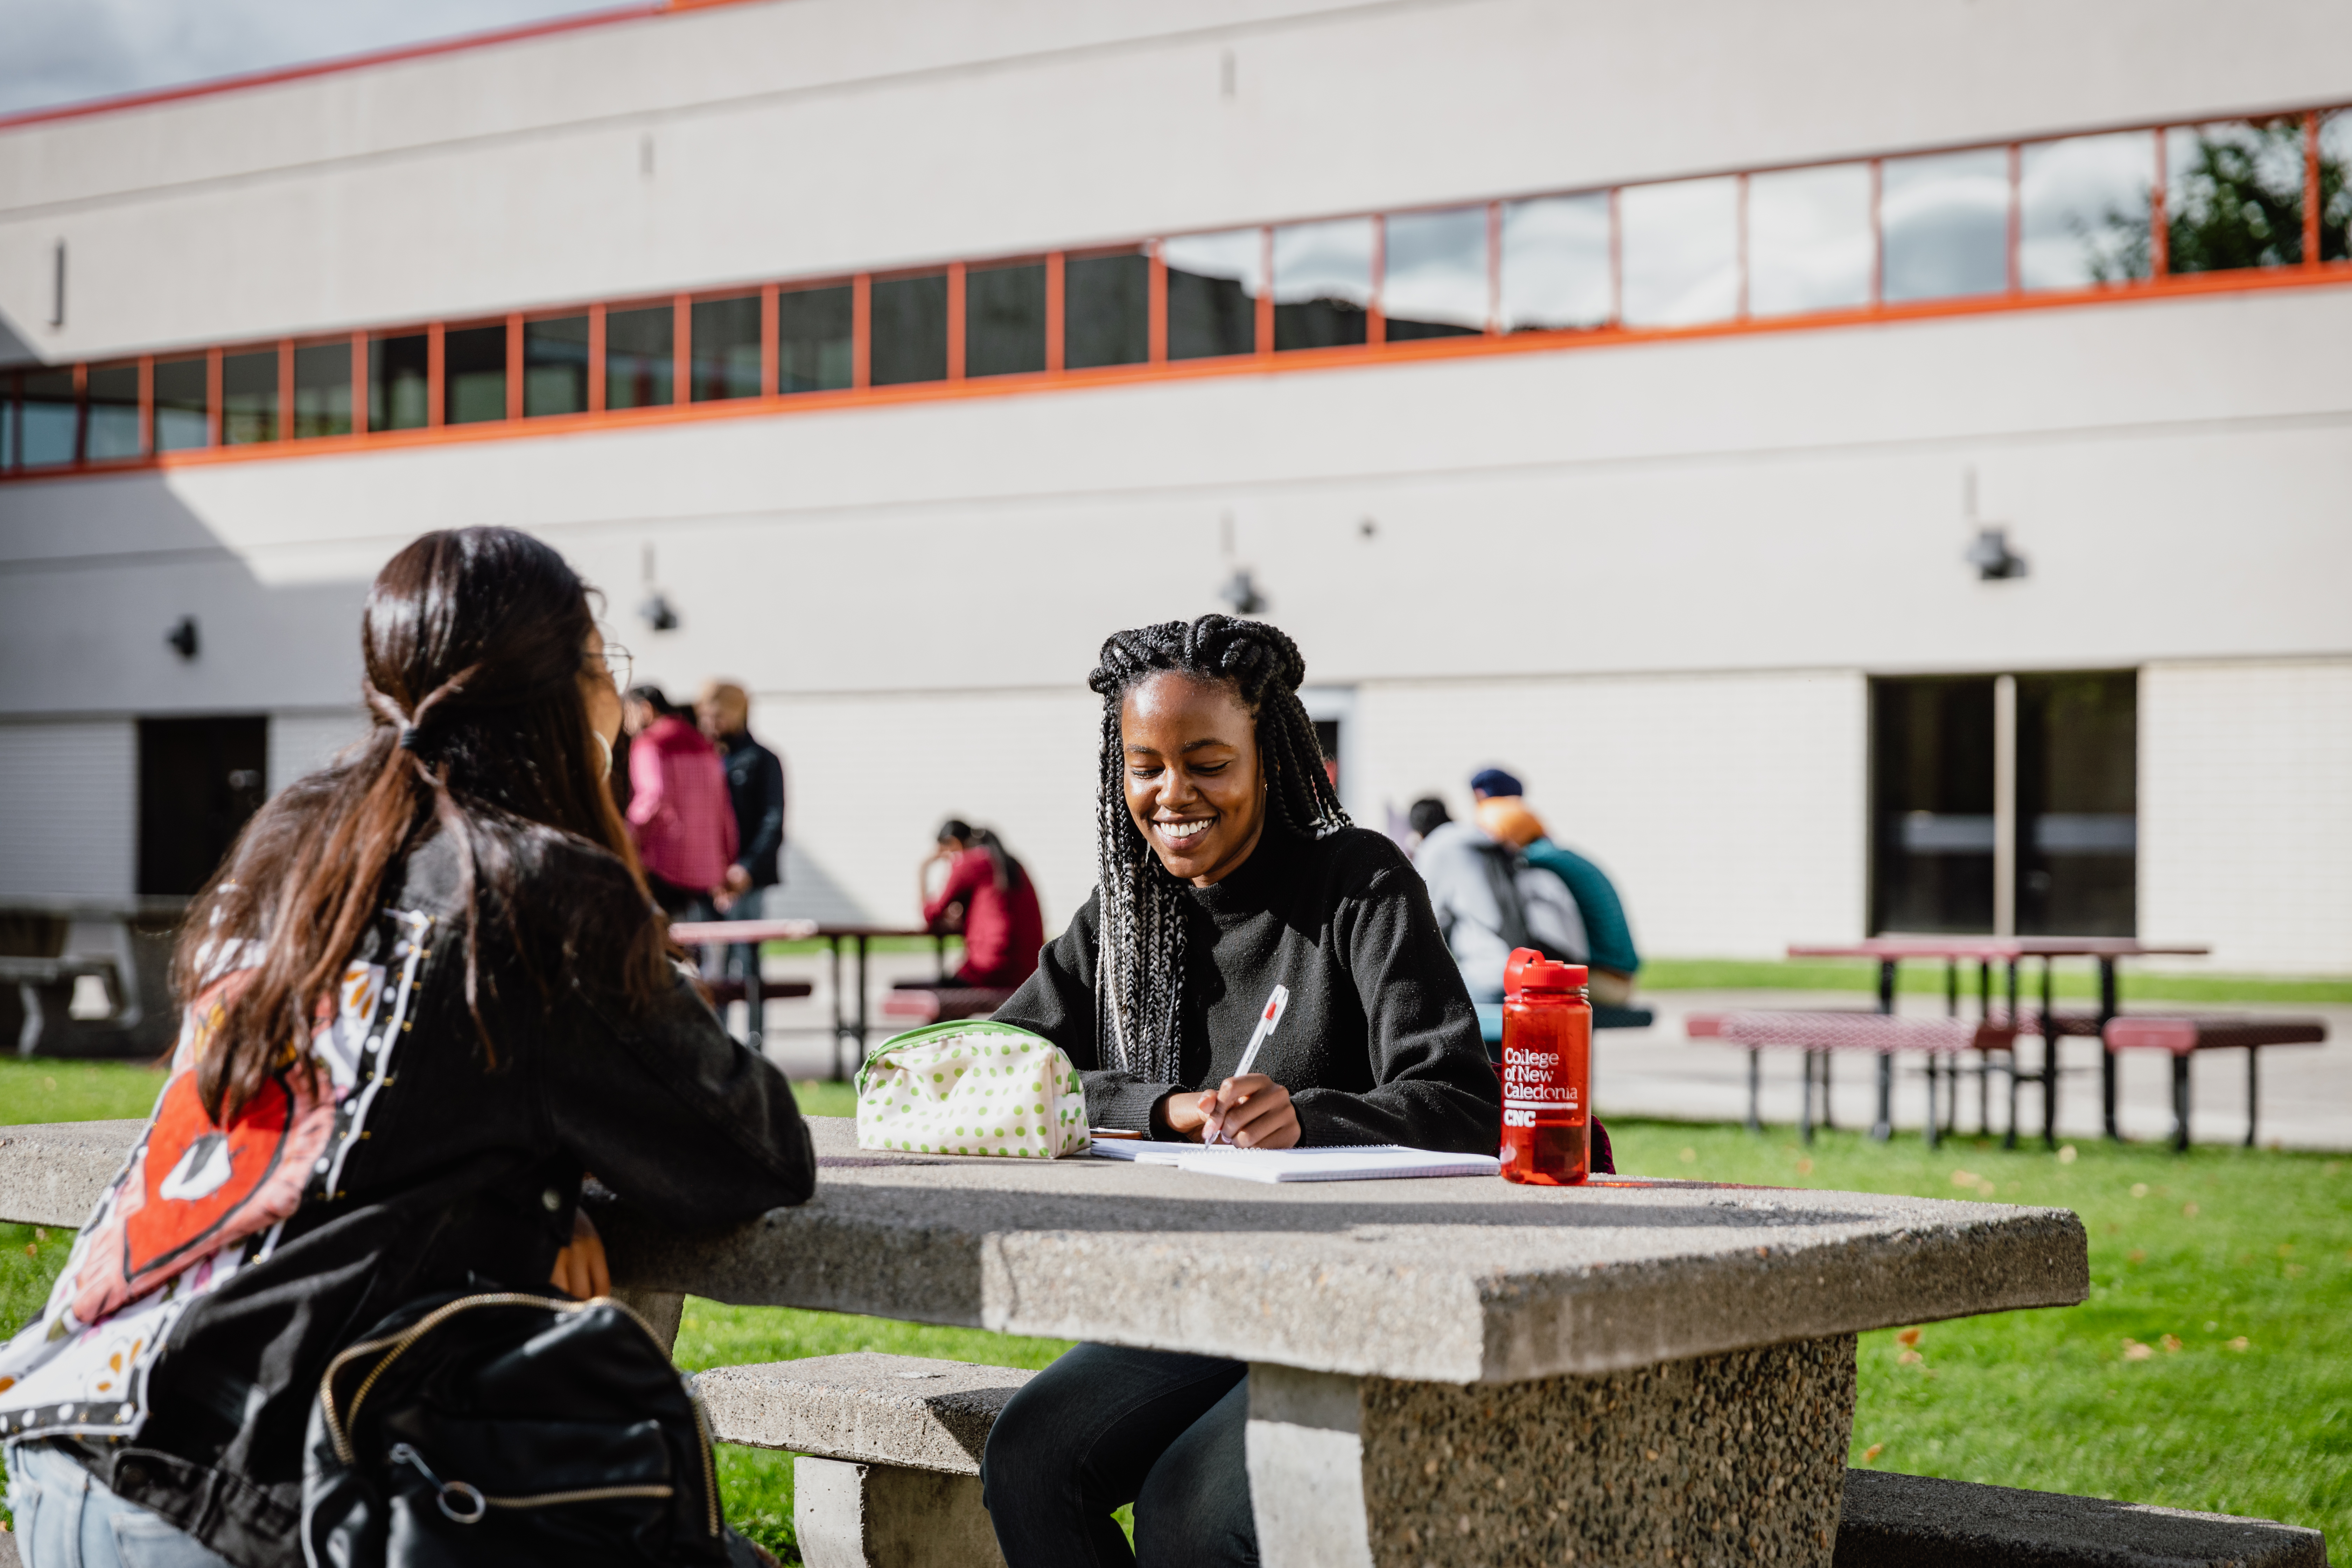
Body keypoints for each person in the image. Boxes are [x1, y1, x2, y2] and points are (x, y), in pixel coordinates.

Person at [0, 526, 813, 1568]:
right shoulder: (530, 886)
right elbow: (750, 1150)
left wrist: (530, 1193)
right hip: (238, 1491)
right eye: (606, 663)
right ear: (567, 694)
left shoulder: (300, 845)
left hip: (71, 1434)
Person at [979, 614, 1556, 1568]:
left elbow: (1466, 1102)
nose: (1172, 795)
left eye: (1207, 762)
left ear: (1273, 757)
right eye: (1146, 765)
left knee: (1191, 1508)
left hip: (1360, 1296)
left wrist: (1314, 1119)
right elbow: (994, 1069)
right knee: (1033, 1456)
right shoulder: (1124, 919)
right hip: (1200, 1299)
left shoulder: (1359, 886)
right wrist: (1160, 1107)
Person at [1472, 784, 1642, 1008]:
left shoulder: (1534, 865)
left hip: (1603, 981)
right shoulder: (1557, 856)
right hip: (1620, 978)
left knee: (1495, 988)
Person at [1410, 792, 1587, 1001]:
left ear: (1419, 833)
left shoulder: (1436, 848)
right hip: (1523, 969)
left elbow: (1424, 921)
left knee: (1426, 1002)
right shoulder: (1485, 840)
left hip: (1486, 975)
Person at [698, 680, 788, 979]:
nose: (712, 724)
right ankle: (717, 1028)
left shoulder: (763, 760)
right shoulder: (705, 759)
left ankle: (755, 1028)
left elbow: (773, 820)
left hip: (747, 876)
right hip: (708, 878)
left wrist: (746, 868)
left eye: (718, 716)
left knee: (747, 962)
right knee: (711, 967)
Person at [624, 683, 737, 919]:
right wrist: (727, 859)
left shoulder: (650, 742)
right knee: (700, 947)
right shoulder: (704, 745)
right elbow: (723, 809)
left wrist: (626, 837)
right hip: (706, 869)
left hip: (664, 864)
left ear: (645, 710)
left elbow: (652, 796)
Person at [917, 819, 1045, 989]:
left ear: (954, 844)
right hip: (1029, 968)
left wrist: (923, 869)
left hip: (990, 970)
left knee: (934, 996)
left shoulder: (968, 862)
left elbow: (931, 915)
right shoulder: (1009, 863)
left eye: (944, 855)